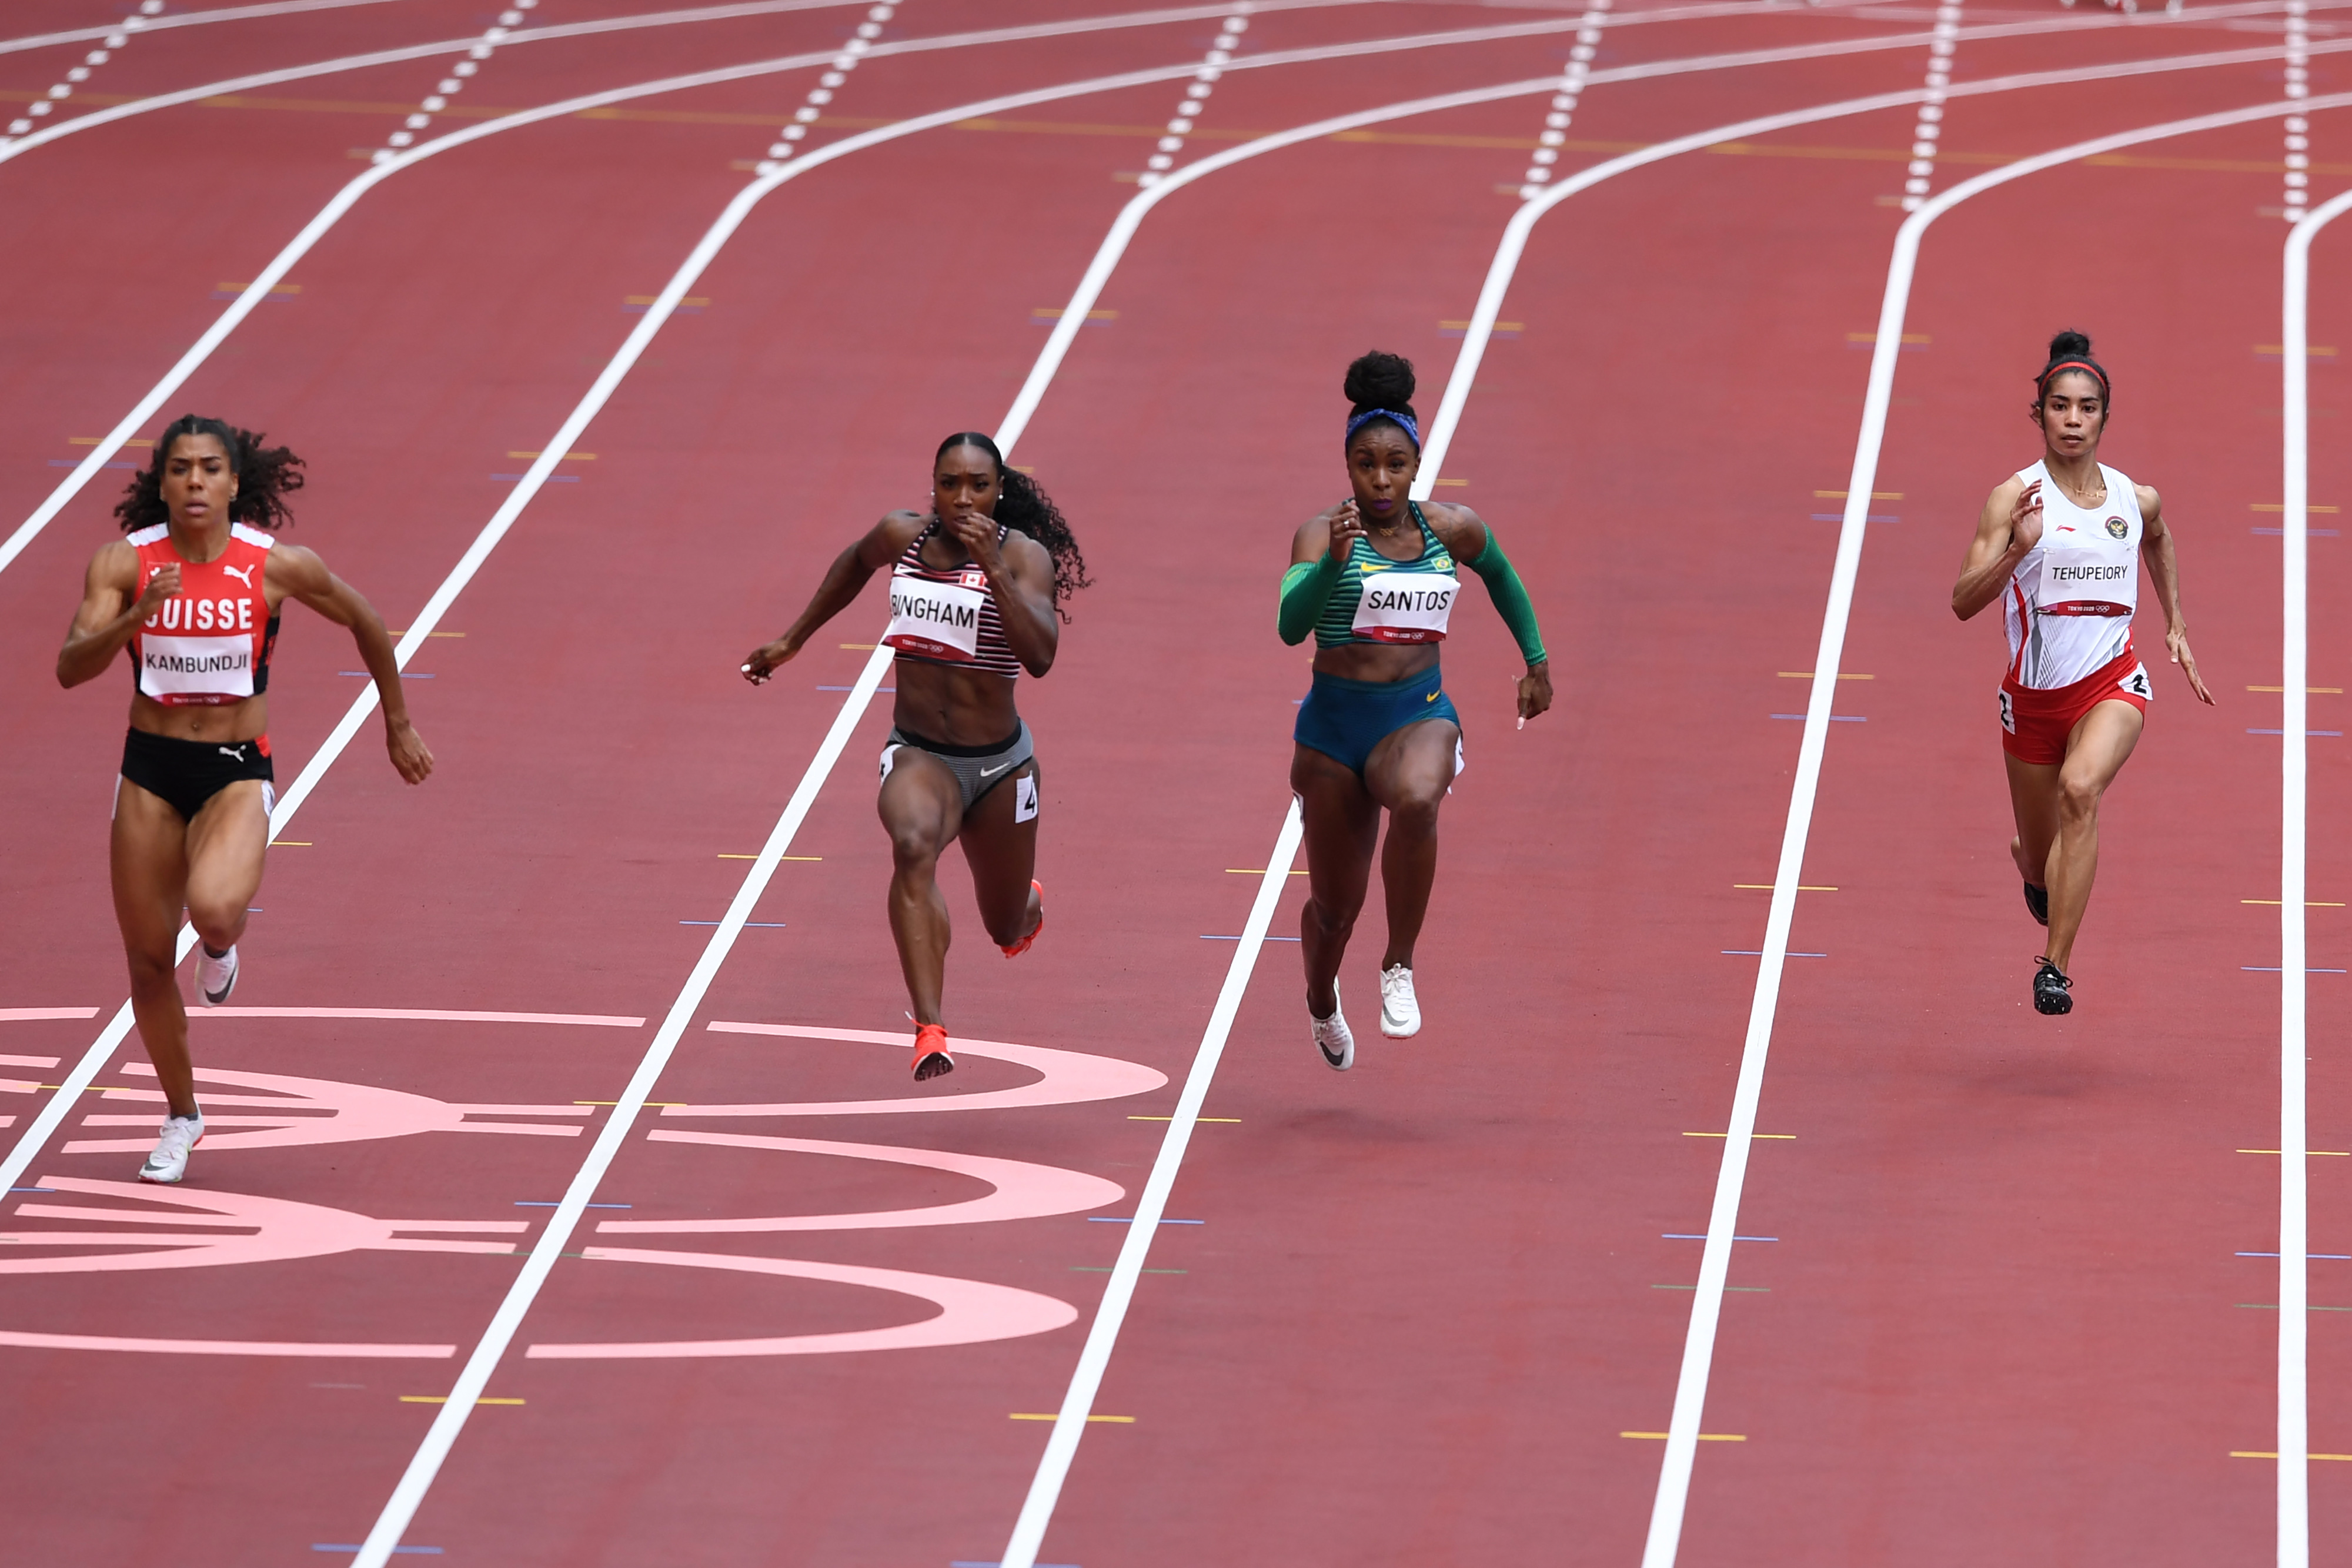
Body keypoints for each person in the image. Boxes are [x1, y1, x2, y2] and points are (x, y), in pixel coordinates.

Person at [55, 414, 433, 1182]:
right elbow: (69, 666)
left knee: (215, 908)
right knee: (151, 960)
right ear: (161, 482)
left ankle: (222, 946)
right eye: (182, 469)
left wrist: (396, 722)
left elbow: (364, 618)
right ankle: (182, 1114)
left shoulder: (275, 565)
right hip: (150, 766)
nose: (196, 481)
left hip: (233, 764)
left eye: (210, 469)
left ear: (235, 483)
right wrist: (135, 615)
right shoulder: (124, 564)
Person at [742, 432, 1086, 1081]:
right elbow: (853, 561)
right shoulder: (903, 537)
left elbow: (1040, 657)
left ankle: (1025, 908)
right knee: (910, 844)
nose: (962, 498)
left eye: (977, 485)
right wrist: (792, 640)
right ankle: (930, 1028)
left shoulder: (1024, 558)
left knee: (1005, 925)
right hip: (920, 754)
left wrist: (992, 571)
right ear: (932, 486)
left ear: (999, 491)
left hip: (1001, 767)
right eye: (949, 484)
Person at [1279, 352, 1552, 1069]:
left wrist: (1535, 660)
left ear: (1415, 464)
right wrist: (1335, 566)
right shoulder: (1321, 535)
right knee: (1334, 911)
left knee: (1419, 797)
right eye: (1365, 464)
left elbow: (1501, 575)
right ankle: (1320, 999)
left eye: (1394, 465)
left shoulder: (1449, 531)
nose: (1380, 480)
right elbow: (1288, 625)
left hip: (1417, 713)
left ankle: (1398, 966)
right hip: (1334, 733)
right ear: (1347, 465)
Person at [1951, 330, 2213, 1015]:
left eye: (2087, 408)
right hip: (2031, 703)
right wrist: (2016, 550)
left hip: (2111, 684)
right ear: (2037, 414)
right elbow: (1961, 603)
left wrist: (2175, 623)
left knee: (2080, 791)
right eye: (2060, 406)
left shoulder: (2134, 498)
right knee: (2044, 866)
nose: (2073, 419)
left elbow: (2158, 538)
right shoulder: (2012, 498)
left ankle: (2054, 969)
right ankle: (2033, 867)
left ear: (2104, 416)